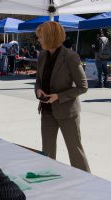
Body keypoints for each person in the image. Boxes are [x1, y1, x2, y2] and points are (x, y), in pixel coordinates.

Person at [35, 21, 90, 172]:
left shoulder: (71, 57)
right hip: (46, 111)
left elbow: (83, 86)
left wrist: (59, 96)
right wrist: (38, 91)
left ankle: (86, 183)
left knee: (75, 151)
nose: (38, 40)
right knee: (47, 152)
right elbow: (38, 81)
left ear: (50, 37)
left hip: (67, 112)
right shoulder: (42, 56)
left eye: (40, 37)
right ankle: (50, 180)